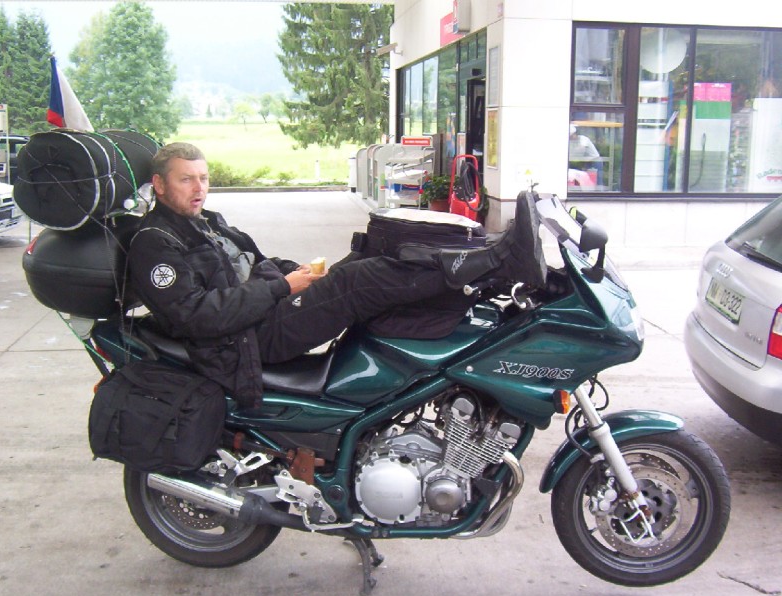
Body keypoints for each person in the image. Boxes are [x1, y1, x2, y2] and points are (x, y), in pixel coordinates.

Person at [128, 143, 546, 406]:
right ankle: (500, 261)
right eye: (186, 180)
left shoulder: (206, 221)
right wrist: (282, 287)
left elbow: (253, 260)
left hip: (258, 310)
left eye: (203, 178)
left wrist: (292, 272)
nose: (199, 188)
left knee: (368, 255)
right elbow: (197, 315)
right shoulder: (156, 242)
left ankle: (485, 270)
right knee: (356, 282)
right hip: (243, 340)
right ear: (159, 185)